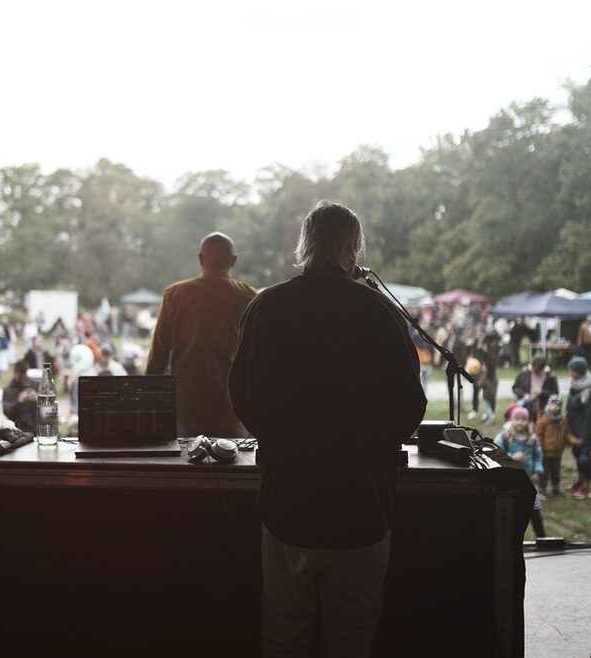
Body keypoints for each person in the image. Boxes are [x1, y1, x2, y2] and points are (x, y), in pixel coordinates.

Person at [228, 201, 427, 657]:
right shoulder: (380, 313)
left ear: (305, 245)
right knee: (350, 639)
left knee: (284, 634)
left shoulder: (267, 307)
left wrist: (282, 437)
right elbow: (409, 409)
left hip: (287, 504)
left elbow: (242, 396)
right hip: (362, 507)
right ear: (353, 247)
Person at [147, 231, 257, 438]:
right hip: (231, 408)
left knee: (184, 467)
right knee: (231, 466)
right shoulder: (248, 297)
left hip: (184, 407)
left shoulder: (176, 295)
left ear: (200, 259)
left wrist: (147, 402)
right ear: (233, 261)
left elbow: (158, 355)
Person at [496, 406, 546, 538]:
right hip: (511, 482)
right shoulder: (504, 437)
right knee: (515, 512)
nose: (520, 422)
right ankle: (512, 539)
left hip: (530, 480)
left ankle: (542, 538)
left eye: (524, 419)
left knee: (535, 510)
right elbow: (495, 454)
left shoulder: (532, 438)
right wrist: (511, 456)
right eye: (517, 419)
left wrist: (537, 471)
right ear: (512, 420)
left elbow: (537, 457)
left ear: (528, 421)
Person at [566, 356, 591, 500]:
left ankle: (587, 487)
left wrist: (584, 436)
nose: (570, 373)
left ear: (579, 371)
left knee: (585, 457)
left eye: (572, 370)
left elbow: (589, 414)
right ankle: (580, 480)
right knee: (576, 453)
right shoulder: (575, 384)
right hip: (573, 427)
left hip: (585, 429)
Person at [535, 395, 575, 498]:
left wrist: (573, 440)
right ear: (548, 405)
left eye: (557, 405)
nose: (554, 407)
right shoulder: (543, 420)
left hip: (558, 453)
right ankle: (541, 489)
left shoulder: (562, 420)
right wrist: (540, 448)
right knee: (544, 472)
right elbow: (539, 436)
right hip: (545, 453)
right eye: (552, 404)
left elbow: (567, 433)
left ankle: (555, 488)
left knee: (556, 471)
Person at [512, 354, 560, 420]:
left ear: (544, 367)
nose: (535, 372)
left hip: (543, 409)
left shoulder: (550, 377)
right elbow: (515, 388)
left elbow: (555, 393)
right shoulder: (524, 373)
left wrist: (542, 392)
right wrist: (524, 395)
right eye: (533, 369)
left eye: (538, 371)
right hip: (526, 408)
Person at [2, 362, 37, 433]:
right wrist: (19, 402)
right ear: (15, 373)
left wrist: (38, 399)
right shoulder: (8, 390)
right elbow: (8, 412)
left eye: (24, 376)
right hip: (18, 428)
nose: (23, 380)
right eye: (20, 377)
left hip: (36, 427)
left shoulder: (35, 385)